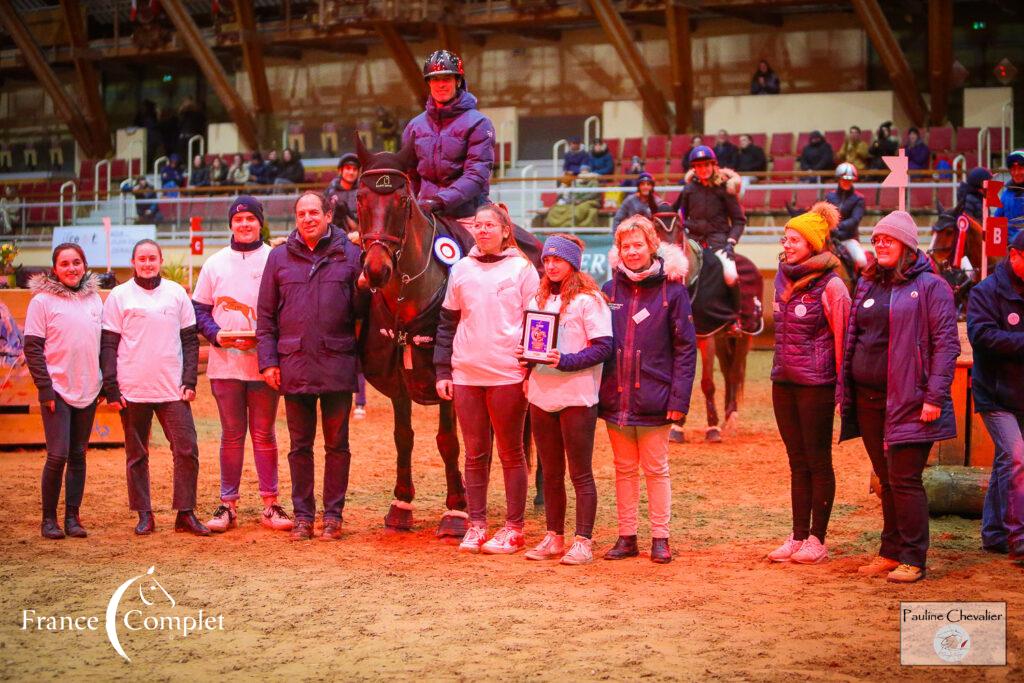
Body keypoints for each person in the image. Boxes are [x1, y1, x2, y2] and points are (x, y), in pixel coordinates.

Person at [839, 211, 959, 583]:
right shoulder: (869, 283)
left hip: (911, 399)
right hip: (869, 400)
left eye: (888, 240)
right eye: (877, 240)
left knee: (905, 478)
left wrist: (934, 396)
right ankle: (890, 551)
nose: (881, 245)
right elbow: (854, 338)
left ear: (907, 245)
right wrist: (848, 392)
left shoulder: (932, 287)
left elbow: (946, 344)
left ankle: (913, 556)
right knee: (886, 478)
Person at [256, 191, 364, 541]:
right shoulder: (278, 258)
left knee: (338, 446)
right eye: (302, 213)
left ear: (328, 215)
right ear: (296, 217)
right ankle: (303, 517)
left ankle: (333, 516)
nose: (308, 218)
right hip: (294, 365)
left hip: (336, 363)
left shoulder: (351, 255)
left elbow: (363, 311)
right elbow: (266, 316)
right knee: (299, 447)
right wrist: (269, 362)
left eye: (314, 212)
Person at [433, 203, 539, 554]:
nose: (482, 230)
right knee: (475, 454)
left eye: (490, 225)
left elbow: (537, 323)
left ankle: (514, 527)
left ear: (506, 230)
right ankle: (477, 524)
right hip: (466, 374)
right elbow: (447, 323)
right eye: (478, 225)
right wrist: (443, 370)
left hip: (508, 373)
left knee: (512, 453)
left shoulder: (523, 270)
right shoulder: (460, 269)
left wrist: (529, 369)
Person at [599, 215, 697, 564]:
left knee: (656, 469)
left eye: (638, 244)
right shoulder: (608, 291)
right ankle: (627, 535)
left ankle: (660, 536)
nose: (633, 251)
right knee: (623, 469)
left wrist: (679, 399)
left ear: (652, 246)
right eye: (626, 246)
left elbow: (686, 350)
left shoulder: (674, 291)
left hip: (656, 395)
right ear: (619, 251)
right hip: (616, 397)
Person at [192, 196, 292, 534]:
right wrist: (218, 336)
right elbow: (199, 309)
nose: (245, 224)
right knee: (231, 435)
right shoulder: (215, 263)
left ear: (260, 222)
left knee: (264, 434)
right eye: (239, 219)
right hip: (225, 365)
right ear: (231, 224)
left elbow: (286, 306)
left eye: (251, 218)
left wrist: (268, 341)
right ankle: (228, 504)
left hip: (263, 364)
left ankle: (270, 504)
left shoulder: (276, 259)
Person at [101, 239, 208, 536]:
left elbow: (189, 340)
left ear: (160, 260)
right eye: (142, 259)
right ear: (134, 262)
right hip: (132, 388)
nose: (147, 263)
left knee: (186, 449)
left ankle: (185, 513)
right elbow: (108, 344)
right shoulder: (119, 296)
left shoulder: (176, 294)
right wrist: (111, 387)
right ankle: (144, 514)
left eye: (152, 258)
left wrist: (189, 380)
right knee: (137, 454)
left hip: (172, 388)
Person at [767, 204, 851, 564]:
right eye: (785, 238)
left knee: (818, 461)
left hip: (816, 383)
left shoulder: (833, 284)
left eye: (794, 240)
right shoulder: (781, 277)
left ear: (813, 244)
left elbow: (844, 339)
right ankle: (798, 535)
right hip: (783, 381)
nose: (787, 245)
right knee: (796, 461)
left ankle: (818, 538)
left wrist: (841, 389)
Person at [521, 234, 612, 565]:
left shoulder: (590, 300)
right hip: (542, 394)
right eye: (547, 260)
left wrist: (566, 361)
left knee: (580, 472)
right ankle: (553, 536)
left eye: (558, 260)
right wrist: (525, 357)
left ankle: (583, 540)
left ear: (573, 263)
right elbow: (534, 343)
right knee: (552, 472)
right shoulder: (539, 300)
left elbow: (603, 347)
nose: (551, 265)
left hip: (577, 395)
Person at [23, 244, 103, 540]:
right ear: (55, 269)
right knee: (57, 455)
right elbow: (32, 347)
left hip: (88, 387)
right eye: (65, 264)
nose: (72, 268)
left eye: (77, 263)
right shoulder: (42, 302)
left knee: (78, 454)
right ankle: (48, 520)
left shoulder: (95, 299)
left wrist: (104, 382)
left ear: (84, 265)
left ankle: (72, 517)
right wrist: (45, 388)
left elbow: (102, 343)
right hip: (56, 389)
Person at [966, 230, 1024, 560]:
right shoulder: (985, 292)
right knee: (1016, 457)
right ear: (1013, 255)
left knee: (1008, 461)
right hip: (994, 394)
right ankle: (1019, 540)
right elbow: (982, 336)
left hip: (1019, 391)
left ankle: (993, 533)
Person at [402, 49, 495, 227]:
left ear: (458, 81)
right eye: (435, 79)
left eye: (446, 79)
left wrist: (439, 201)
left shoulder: (480, 123)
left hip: (468, 215)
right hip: (426, 214)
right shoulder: (414, 126)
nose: (441, 85)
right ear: (429, 83)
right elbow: (410, 175)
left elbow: (476, 175)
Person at [672, 146, 746, 266]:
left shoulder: (725, 188)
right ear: (694, 168)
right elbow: (681, 214)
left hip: (719, 243)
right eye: (699, 166)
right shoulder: (688, 189)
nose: (703, 169)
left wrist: (731, 242)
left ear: (713, 165)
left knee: (731, 277)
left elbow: (739, 221)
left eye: (706, 165)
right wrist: (684, 231)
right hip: (693, 243)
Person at [826, 163, 868, 271]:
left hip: (848, 238)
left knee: (861, 260)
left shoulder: (859, 199)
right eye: (844, 179)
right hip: (830, 238)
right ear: (839, 179)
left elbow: (855, 220)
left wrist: (837, 226)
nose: (846, 182)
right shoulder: (830, 196)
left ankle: (860, 285)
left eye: (850, 180)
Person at [325, 152, 361, 232]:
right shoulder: (330, 192)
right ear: (340, 171)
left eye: (355, 169)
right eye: (348, 168)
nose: (351, 172)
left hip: (358, 237)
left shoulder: (362, 192)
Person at [994, 150, 1024, 243]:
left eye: (1020, 168)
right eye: (1013, 169)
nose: (1016, 173)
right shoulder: (1006, 194)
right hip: (1009, 248)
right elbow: (997, 220)